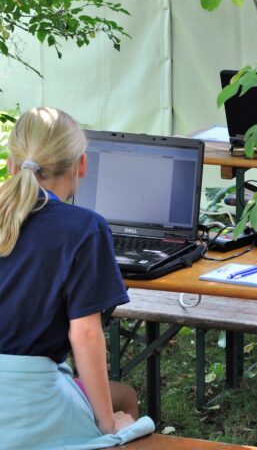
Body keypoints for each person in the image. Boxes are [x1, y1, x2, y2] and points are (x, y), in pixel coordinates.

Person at [0, 107, 145, 448]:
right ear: (82, 165)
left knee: (121, 395)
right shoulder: (83, 228)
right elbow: (86, 334)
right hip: (29, 403)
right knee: (125, 422)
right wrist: (109, 423)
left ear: (11, 162)